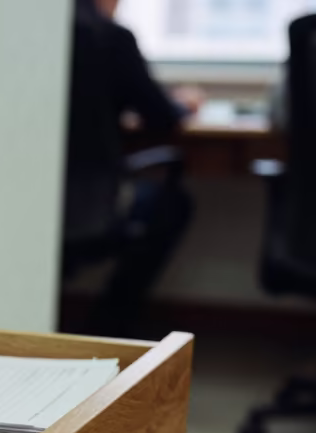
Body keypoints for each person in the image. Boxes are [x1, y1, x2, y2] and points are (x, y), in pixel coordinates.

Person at [63, 0, 200, 337]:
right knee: (173, 204)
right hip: (93, 204)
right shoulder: (109, 36)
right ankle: (110, 326)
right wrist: (183, 103)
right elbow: (161, 116)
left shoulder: (31, 38)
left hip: (30, 202)